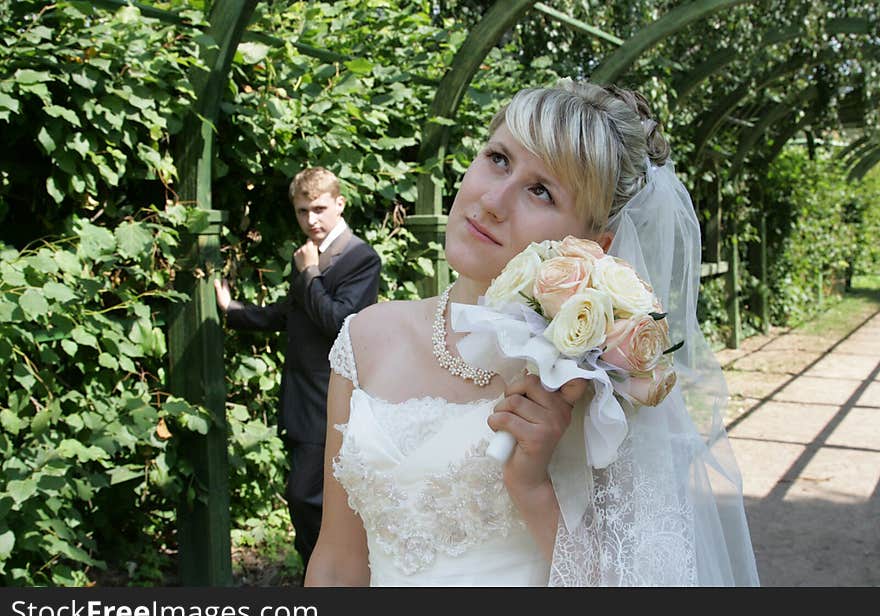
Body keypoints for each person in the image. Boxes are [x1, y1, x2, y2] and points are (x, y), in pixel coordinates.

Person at [304, 80, 759, 586]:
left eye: (541, 190)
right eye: (498, 158)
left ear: (593, 245)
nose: (493, 200)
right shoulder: (365, 338)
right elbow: (336, 563)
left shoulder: (598, 386)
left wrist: (532, 486)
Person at [214, 166, 381, 570]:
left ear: (340, 204)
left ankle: (328, 576)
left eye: (320, 209)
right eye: (303, 211)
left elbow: (339, 322)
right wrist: (233, 311)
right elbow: (294, 314)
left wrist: (309, 272)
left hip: (334, 397)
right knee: (311, 500)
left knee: (308, 498)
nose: (311, 220)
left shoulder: (361, 258)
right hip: (302, 396)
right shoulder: (308, 254)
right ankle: (324, 576)